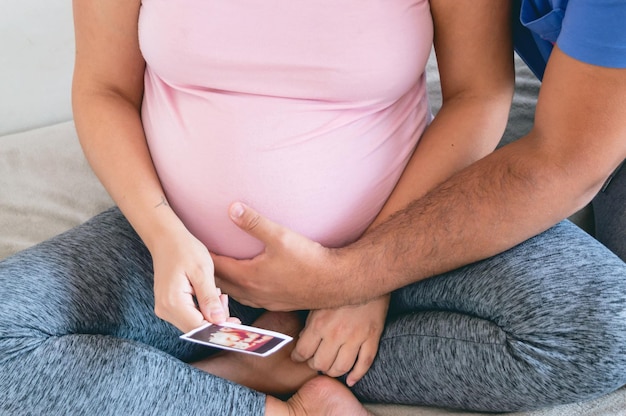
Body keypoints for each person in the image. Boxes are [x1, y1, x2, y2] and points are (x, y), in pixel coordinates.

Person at [0, 1, 516, 415]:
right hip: (179, 261)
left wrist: (365, 277)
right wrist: (161, 232)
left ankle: (264, 359)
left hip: (395, 247)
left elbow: (480, 92)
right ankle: (271, 385)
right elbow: (103, 89)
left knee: (588, 324)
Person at [213, 0, 626, 412]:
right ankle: (282, 353)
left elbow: (563, 159)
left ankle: (293, 361)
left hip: (600, 137)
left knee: (602, 331)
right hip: (199, 257)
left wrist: (356, 280)